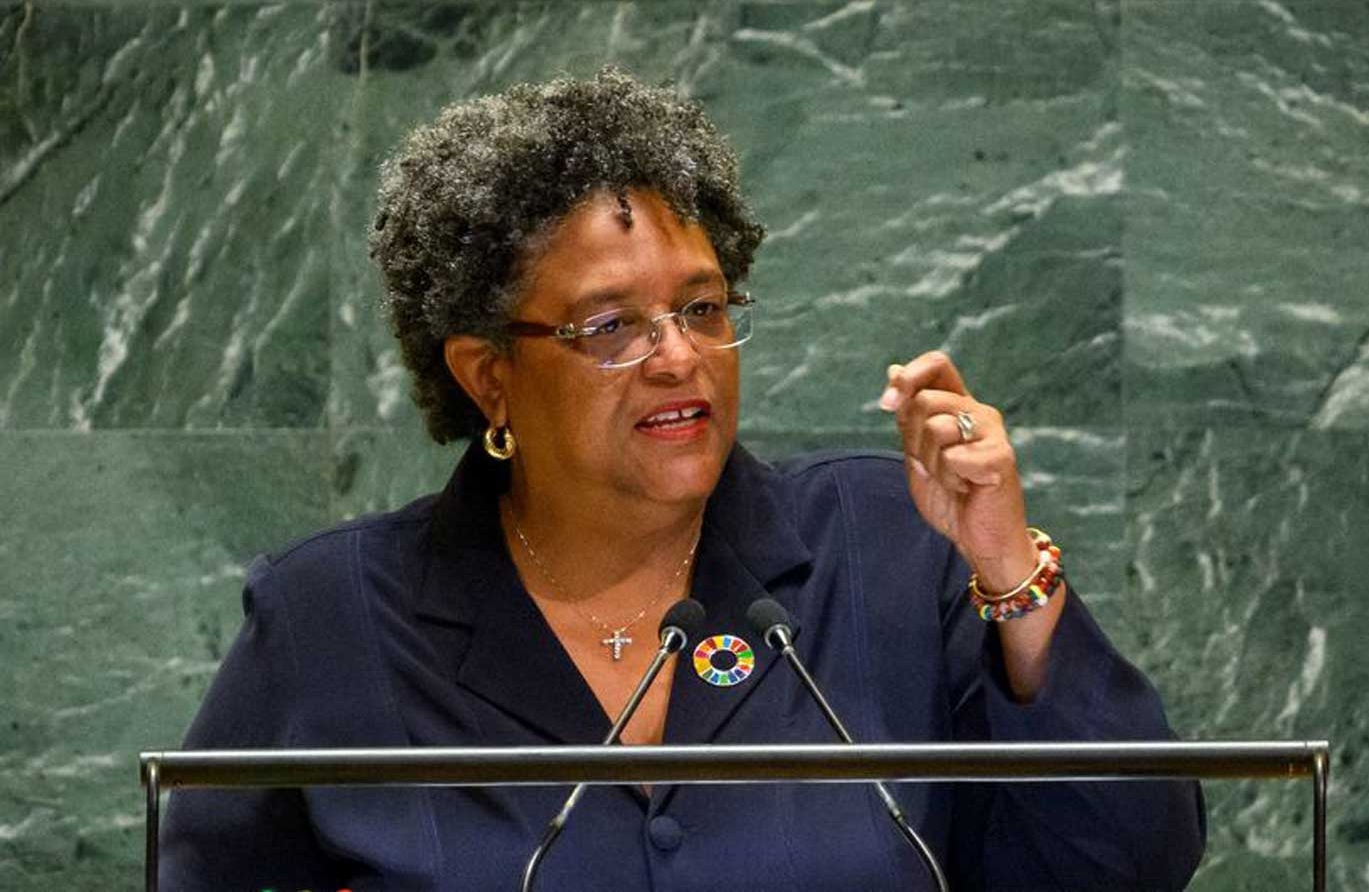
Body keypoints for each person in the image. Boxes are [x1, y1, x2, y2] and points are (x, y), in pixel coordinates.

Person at [161, 68, 1204, 890]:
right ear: (489, 377)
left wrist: (1007, 570)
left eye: (703, 308)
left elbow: (1127, 862)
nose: (677, 356)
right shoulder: (328, 617)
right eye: (611, 326)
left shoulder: (885, 542)